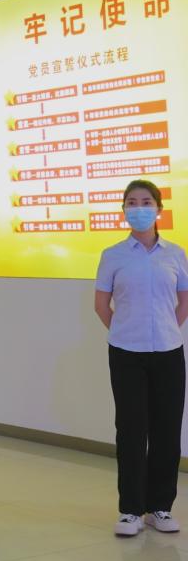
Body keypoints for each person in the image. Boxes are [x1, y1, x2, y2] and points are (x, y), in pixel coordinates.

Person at [95, 179, 188, 537]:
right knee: (131, 430)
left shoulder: (175, 254)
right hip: (126, 353)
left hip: (168, 352)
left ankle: (160, 507)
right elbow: (101, 304)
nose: (138, 208)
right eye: (131, 202)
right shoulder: (113, 255)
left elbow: (183, 301)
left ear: (159, 209)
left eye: (146, 202)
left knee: (167, 429)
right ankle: (131, 510)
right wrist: (125, 330)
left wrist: (165, 328)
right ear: (124, 210)